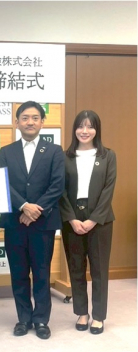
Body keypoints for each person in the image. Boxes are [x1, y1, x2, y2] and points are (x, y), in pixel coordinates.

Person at [0, 101, 64, 340]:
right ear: (17, 122)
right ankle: (24, 318)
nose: (30, 122)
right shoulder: (6, 151)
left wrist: (36, 210)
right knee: (18, 273)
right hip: (15, 222)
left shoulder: (54, 151)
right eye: (25, 118)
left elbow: (58, 185)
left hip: (43, 223)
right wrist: (24, 206)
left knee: (42, 272)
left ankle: (41, 319)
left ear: (42, 122)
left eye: (35, 118)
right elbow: (2, 182)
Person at [59, 110, 116, 335]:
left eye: (90, 126)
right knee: (76, 267)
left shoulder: (108, 155)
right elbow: (60, 190)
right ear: (74, 129)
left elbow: (108, 190)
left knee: (99, 270)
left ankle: (99, 316)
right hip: (71, 219)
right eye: (80, 126)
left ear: (96, 130)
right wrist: (71, 218)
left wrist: (93, 219)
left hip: (100, 221)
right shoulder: (65, 156)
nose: (85, 131)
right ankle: (82, 313)